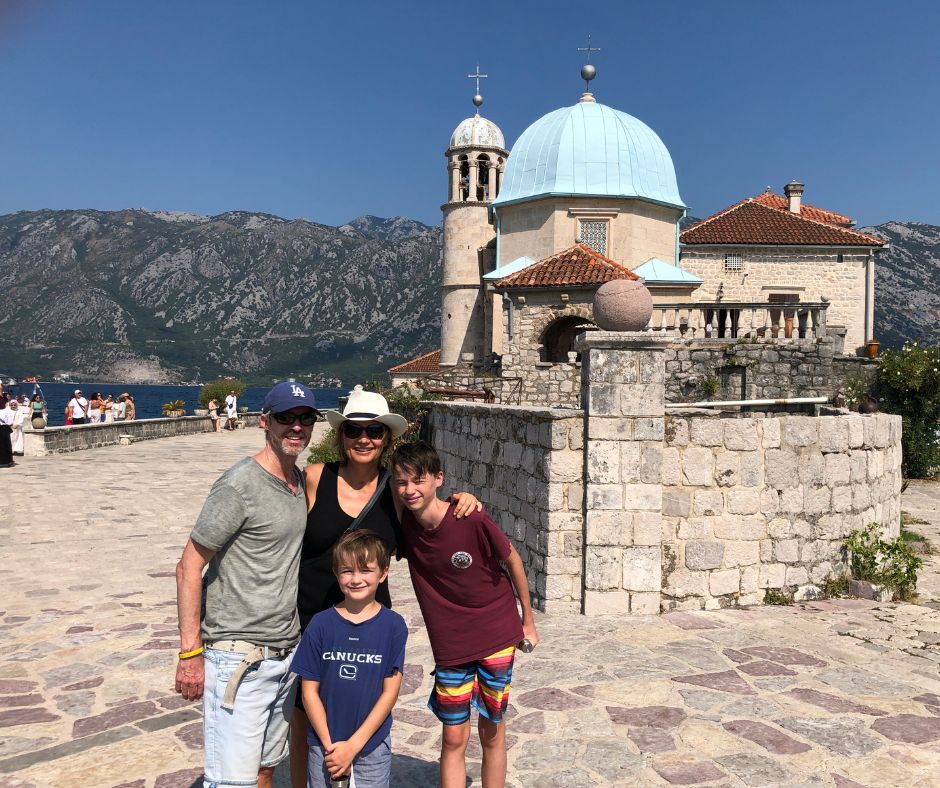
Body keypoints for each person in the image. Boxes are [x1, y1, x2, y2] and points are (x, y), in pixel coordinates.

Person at [289, 385, 480, 788]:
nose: (364, 439)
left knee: (368, 701)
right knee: (305, 711)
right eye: (354, 431)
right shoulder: (314, 477)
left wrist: (466, 499)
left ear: (387, 439)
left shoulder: (395, 490)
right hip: (312, 614)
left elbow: (433, 513)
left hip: (370, 622)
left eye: (375, 432)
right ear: (341, 436)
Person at [175, 380, 320, 788]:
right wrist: (190, 652)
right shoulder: (239, 484)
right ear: (264, 422)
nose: (296, 427)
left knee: (264, 769)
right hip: (236, 656)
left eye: (305, 418)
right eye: (285, 418)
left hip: (283, 655)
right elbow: (188, 567)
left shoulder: (297, 483)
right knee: (231, 781)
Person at [392, 440, 539, 788]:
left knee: (492, 731)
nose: (410, 490)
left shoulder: (469, 516)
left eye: (419, 480)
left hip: (497, 636)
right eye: (401, 482)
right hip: (452, 646)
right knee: (453, 738)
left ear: (438, 479)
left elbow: (512, 559)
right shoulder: (404, 523)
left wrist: (527, 621)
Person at [292, 530, 408, 788]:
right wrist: (330, 745)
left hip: (371, 745)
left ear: (383, 573)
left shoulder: (393, 626)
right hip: (324, 745)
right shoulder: (320, 625)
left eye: (366, 570)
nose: (356, 579)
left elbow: (390, 692)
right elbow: (308, 691)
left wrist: (354, 745)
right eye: (347, 571)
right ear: (336, 574)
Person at [0, 399, 15, 467]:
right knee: (6, 445)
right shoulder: (6, 411)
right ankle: (7, 461)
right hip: (4, 429)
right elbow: (10, 422)